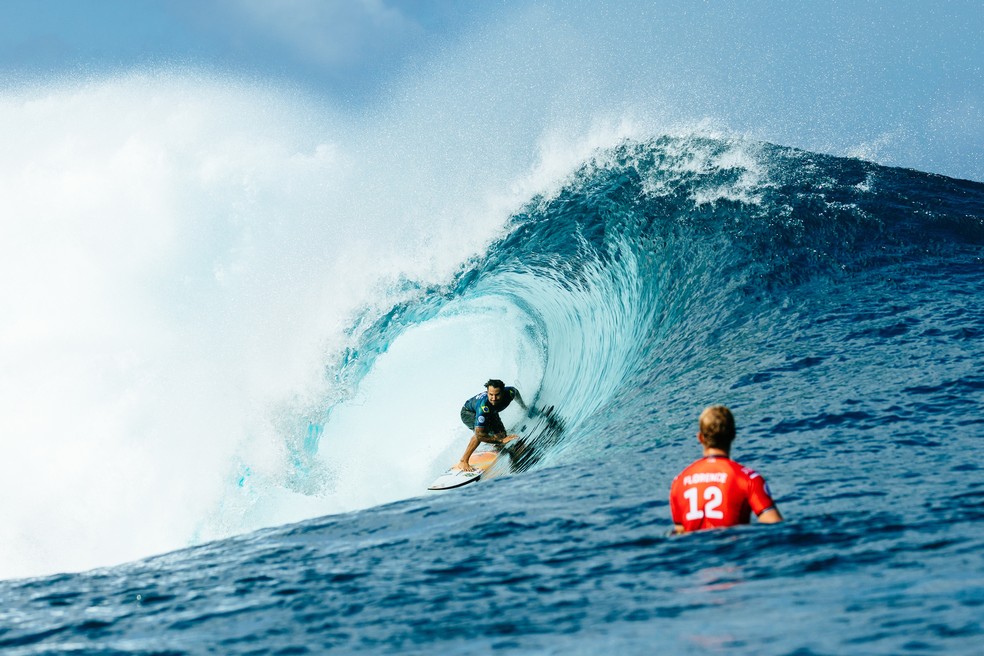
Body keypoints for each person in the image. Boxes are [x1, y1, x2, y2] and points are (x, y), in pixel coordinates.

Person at [669, 405, 783, 533]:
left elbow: (679, 535)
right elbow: (775, 527)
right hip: (734, 549)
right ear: (733, 435)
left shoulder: (679, 482)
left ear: (700, 438)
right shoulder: (748, 478)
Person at [456, 379, 527, 471]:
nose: (494, 398)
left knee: (501, 434)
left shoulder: (510, 392)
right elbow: (479, 435)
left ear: (503, 392)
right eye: (491, 394)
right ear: (487, 392)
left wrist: (523, 407)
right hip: (469, 413)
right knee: (482, 432)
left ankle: (497, 446)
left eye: (497, 395)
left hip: (492, 412)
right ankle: (463, 461)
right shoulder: (483, 407)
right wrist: (501, 441)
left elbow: (516, 393)